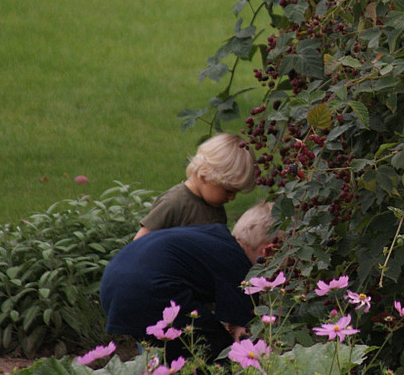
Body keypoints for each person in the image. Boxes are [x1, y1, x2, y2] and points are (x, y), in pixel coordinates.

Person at [100, 201, 279, 363]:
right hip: (147, 290)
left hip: (113, 283)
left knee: (178, 349)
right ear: (268, 251)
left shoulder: (214, 238)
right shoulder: (239, 265)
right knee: (214, 349)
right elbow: (243, 335)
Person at [133, 132, 256, 240]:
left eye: (236, 192)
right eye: (228, 191)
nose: (232, 198)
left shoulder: (215, 207)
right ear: (204, 175)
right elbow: (139, 243)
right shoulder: (174, 203)